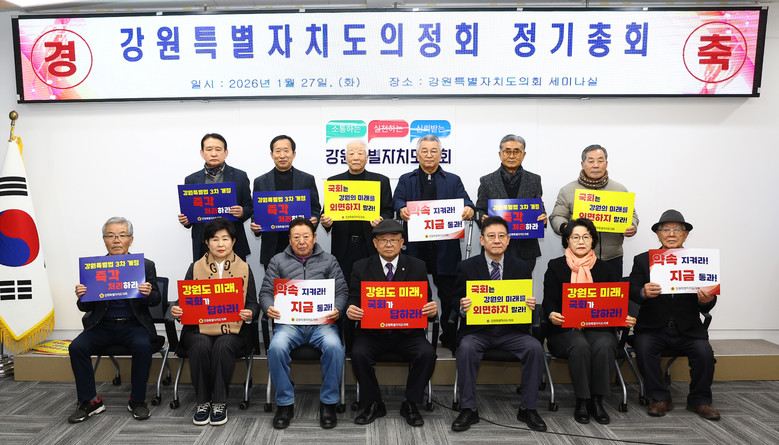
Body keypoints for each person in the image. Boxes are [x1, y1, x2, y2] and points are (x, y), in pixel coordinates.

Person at [451, 216, 547, 432]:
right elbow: (454, 299)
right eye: (491, 236)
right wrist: (462, 306)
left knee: (534, 347)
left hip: (511, 331)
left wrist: (529, 304)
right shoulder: (466, 267)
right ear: (482, 240)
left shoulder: (521, 267)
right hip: (478, 331)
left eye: (501, 236)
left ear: (508, 239)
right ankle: (468, 408)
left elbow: (521, 299)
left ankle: (529, 409)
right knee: (466, 348)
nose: (497, 240)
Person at [542, 218, 636, 425]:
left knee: (604, 345)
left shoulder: (605, 269)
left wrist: (623, 316)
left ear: (593, 240)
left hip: (598, 327)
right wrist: (552, 314)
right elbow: (549, 300)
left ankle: (597, 400)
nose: (581, 241)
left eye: (586, 237)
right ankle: (583, 400)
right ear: (567, 241)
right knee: (579, 345)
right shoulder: (556, 266)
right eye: (575, 237)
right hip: (565, 328)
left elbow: (614, 302)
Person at [68, 217, 161, 423]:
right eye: (111, 236)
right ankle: (90, 401)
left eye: (122, 235)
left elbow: (156, 299)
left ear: (131, 239)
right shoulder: (94, 267)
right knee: (76, 347)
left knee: (143, 345)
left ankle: (137, 400)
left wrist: (147, 293)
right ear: (104, 240)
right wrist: (82, 296)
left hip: (134, 325)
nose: (116, 240)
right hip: (102, 325)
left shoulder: (145, 265)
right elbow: (85, 307)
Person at [346, 219, 437, 427]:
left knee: (427, 353)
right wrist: (351, 309)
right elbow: (354, 298)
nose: (388, 244)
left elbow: (426, 301)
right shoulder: (361, 267)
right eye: (383, 240)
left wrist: (431, 309)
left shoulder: (417, 266)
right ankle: (374, 403)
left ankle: (411, 403)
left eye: (393, 240)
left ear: (402, 242)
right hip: (373, 334)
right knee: (358, 354)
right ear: (375, 243)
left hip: (408, 334)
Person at [629, 210, 719, 420]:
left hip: (688, 328)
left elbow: (710, 299)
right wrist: (642, 292)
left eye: (677, 230)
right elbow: (631, 290)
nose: (671, 234)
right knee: (644, 348)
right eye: (666, 229)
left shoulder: (699, 261)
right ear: (658, 234)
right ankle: (660, 397)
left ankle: (700, 400)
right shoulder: (643, 260)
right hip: (652, 327)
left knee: (704, 354)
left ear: (685, 235)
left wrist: (705, 300)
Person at [170, 218, 259, 426]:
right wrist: (177, 309)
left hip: (233, 329)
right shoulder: (195, 267)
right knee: (200, 345)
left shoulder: (245, 268)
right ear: (207, 242)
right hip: (199, 328)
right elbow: (184, 300)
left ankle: (219, 402)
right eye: (215, 239)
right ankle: (203, 402)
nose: (220, 244)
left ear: (233, 241)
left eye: (225, 239)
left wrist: (249, 312)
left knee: (222, 346)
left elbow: (253, 302)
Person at [260, 217, 347, 429]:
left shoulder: (329, 260)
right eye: (296, 237)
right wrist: (268, 306)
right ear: (289, 239)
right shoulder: (277, 261)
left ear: (314, 237)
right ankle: (285, 404)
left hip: (322, 324)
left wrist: (337, 308)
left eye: (306, 236)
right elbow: (266, 293)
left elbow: (342, 291)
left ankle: (328, 402)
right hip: (289, 324)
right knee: (276, 348)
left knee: (335, 347)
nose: (301, 241)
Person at [393, 134, 475, 350]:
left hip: (445, 248)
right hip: (415, 248)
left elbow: (467, 201)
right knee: (413, 293)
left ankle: (449, 337)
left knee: (449, 295)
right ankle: (413, 335)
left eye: (433, 151)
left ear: (440, 154)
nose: (429, 155)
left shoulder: (453, 180)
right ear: (417, 154)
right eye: (424, 151)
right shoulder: (406, 179)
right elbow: (397, 199)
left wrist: (468, 208)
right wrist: (401, 208)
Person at [549, 144, 638, 278]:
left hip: (612, 257)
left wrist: (632, 225)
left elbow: (632, 215)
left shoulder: (619, 190)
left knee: (611, 291)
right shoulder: (568, 190)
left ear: (606, 163)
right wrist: (564, 227)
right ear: (582, 164)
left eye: (600, 161)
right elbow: (557, 216)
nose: (596, 165)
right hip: (579, 259)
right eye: (591, 161)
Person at [321, 140, 393, 283]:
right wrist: (326, 222)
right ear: (345, 157)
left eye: (360, 153)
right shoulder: (334, 182)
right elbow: (327, 213)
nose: (355, 157)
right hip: (343, 246)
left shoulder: (380, 181)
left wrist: (381, 220)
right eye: (351, 153)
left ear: (367, 157)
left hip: (370, 245)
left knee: (371, 285)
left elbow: (388, 211)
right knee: (343, 286)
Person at [475, 135, 546, 271]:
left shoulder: (534, 180)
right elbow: (479, 209)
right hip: (495, 246)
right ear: (500, 154)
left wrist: (543, 217)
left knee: (522, 284)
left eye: (516, 152)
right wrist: (482, 218)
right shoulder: (487, 181)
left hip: (525, 248)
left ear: (523, 155)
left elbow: (539, 207)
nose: (512, 156)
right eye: (507, 151)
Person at [179, 133, 253, 262]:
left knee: (235, 275)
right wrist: (186, 220)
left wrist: (242, 212)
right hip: (203, 243)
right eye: (209, 149)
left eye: (218, 149)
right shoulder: (191, 180)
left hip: (233, 241)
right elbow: (190, 213)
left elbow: (250, 206)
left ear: (226, 153)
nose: (213, 154)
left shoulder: (240, 176)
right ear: (202, 153)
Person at [251, 135, 321, 269]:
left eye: (286, 150)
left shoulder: (307, 179)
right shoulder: (260, 182)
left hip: (300, 244)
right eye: (278, 151)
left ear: (293, 154)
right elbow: (256, 211)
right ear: (272, 154)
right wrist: (256, 225)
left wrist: (314, 219)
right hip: (272, 245)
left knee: (299, 280)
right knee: (273, 281)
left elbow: (315, 208)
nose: (282, 155)